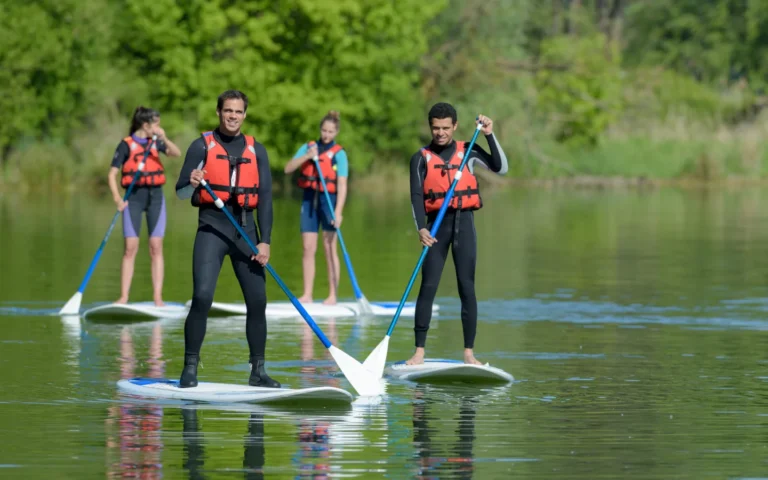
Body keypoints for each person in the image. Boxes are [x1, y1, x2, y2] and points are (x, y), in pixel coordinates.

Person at [174, 89, 279, 388]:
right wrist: (191, 182)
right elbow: (181, 193)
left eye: (238, 111)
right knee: (203, 297)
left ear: (245, 114)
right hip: (212, 229)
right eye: (227, 111)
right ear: (219, 112)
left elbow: (267, 200)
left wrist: (265, 241)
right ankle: (190, 367)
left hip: (246, 232)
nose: (233, 116)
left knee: (258, 301)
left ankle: (258, 371)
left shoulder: (257, 150)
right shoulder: (201, 146)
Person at [406, 102, 508, 366]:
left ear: (454, 126)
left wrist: (488, 134)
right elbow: (416, 196)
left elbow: (500, 167)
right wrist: (421, 228)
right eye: (435, 128)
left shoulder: (468, 150)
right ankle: (419, 352)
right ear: (431, 127)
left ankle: (468, 353)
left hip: (465, 224)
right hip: (435, 228)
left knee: (467, 287)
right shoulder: (420, 157)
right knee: (428, 287)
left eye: (445, 128)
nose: (440, 133)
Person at [108, 106, 181, 306]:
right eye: (156, 123)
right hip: (133, 198)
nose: (159, 126)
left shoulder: (156, 143)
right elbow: (112, 175)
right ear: (145, 125)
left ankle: (158, 297)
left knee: (156, 247)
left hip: (155, 197)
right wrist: (117, 199)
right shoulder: (125, 145)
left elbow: (176, 153)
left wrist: (164, 138)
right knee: (130, 248)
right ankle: (124, 297)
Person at [283, 111, 349, 305]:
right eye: (324, 130)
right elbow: (288, 168)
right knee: (307, 248)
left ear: (336, 132)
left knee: (329, 248)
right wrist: (306, 157)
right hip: (309, 200)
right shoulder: (308, 147)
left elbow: (343, 185)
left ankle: (332, 295)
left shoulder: (339, 154)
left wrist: (338, 212)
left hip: (329, 201)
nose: (326, 134)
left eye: (330, 131)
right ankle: (307, 294)